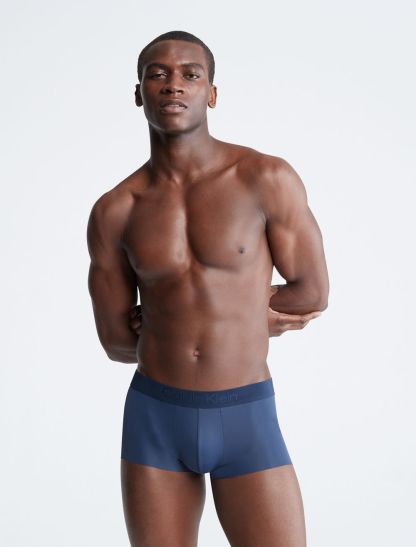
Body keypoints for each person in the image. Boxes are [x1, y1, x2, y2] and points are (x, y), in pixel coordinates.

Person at [87, 29, 329, 547]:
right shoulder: (115, 210)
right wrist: (175, 324)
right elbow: (116, 343)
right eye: (157, 74)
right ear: (139, 94)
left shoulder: (265, 178)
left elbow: (312, 291)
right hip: (155, 420)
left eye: (190, 75)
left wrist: (237, 315)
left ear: (211, 94)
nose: (173, 84)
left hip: (246, 416)